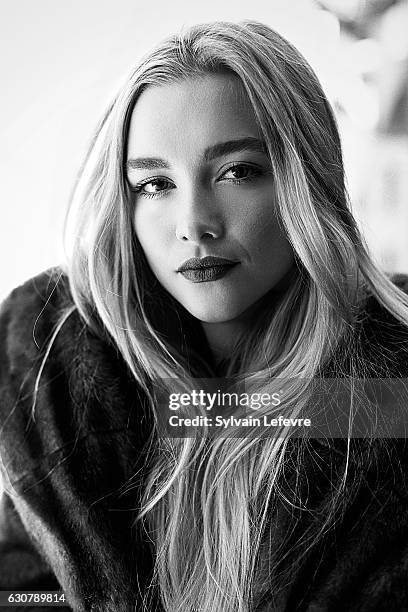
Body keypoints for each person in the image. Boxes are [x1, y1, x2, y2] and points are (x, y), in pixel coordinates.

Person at [1, 20, 408, 612]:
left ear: (306, 179)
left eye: (238, 171)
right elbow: (20, 592)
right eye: (155, 183)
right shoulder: (53, 375)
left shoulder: (387, 394)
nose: (194, 222)